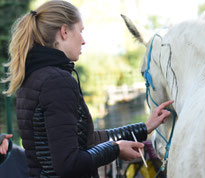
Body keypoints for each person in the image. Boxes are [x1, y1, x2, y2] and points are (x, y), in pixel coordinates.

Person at [2, 1, 173, 177]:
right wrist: (116, 149)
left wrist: (144, 128)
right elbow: (68, 164)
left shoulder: (34, 77)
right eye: (81, 31)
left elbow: (88, 140)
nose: (83, 41)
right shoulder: (56, 82)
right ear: (64, 31)